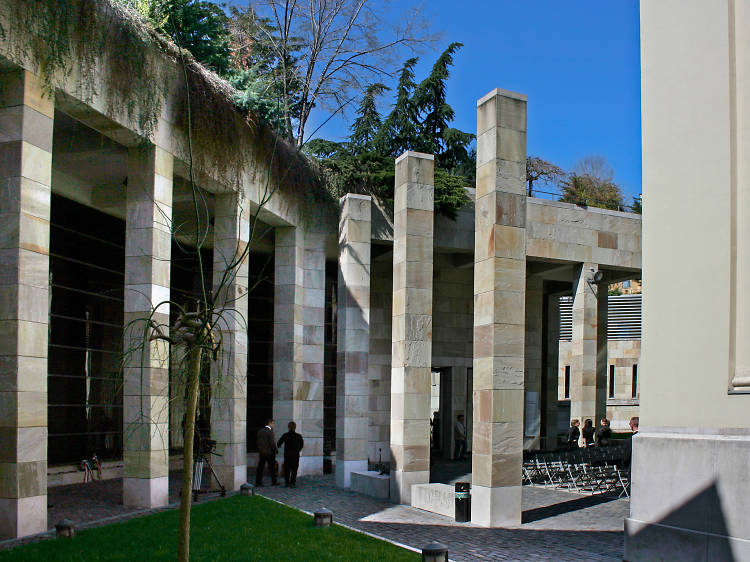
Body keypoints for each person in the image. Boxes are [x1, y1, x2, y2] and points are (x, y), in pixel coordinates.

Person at [277, 421, 304, 488]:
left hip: (287, 454)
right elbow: (301, 445)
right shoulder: (298, 436)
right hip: (295, 454)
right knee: (294, 469)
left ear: (288, 427)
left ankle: (287, 482)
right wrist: (298, 450)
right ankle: (292, 483)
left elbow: (279, 443)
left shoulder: (285, 435)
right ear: (295, 427)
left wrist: (280, 446)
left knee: (287, 469)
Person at [255, 418, 278, 487]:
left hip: (262, 452)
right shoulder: (270, 431)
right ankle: (274, 481)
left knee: (260, 467)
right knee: (272, 467)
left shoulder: (260, 431)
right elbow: (272, 443)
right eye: (273, 423)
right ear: (270, 423)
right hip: (269, 452)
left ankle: (258, 482)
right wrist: (275, 450)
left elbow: (258, 441)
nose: (273, 425)